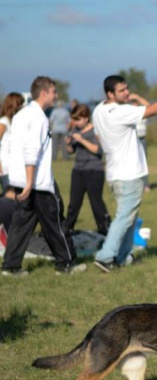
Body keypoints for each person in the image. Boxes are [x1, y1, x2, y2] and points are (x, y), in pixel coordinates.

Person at [92, 75, 157, 273]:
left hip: (115, 172)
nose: (127, 93)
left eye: (126, 88)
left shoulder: (98, 110)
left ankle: (123, 256)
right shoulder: (120, 111)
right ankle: (105, 256)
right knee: (124, 217)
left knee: (129, 216)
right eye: (121, 90)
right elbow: (153, 110)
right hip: (128, 174)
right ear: (110, 94)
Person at [1, 76, 86, 276]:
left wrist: (23, 181)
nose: (56, 95)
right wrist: (30, 182)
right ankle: (65, 264)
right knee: (55, 222)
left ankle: (11, 266)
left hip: (21, 180)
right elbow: (31, 150)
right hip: (37, 182)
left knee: (21, 225)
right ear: (44, 93)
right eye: (54, 92)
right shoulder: (38, 117)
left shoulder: (21, 115)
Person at [62, 104, 110, 236]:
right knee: (74, 202)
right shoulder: (75, 130)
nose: (76, 122)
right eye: (74, 119)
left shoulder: (95, 130)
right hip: (78, 170)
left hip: (94, 170)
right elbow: (71, 151)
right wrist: (68, 144)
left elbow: (98, 150)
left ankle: (105, 228)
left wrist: (82, 140)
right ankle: (67, 228)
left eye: (78, 119)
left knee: (96, 202)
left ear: (86, 118)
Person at [0, 92, 25, 194]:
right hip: (5, 167)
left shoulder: (13, 121)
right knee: (9, 196)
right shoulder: (4, 122)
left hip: (13, 167)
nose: (22, 107)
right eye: (20, 104)